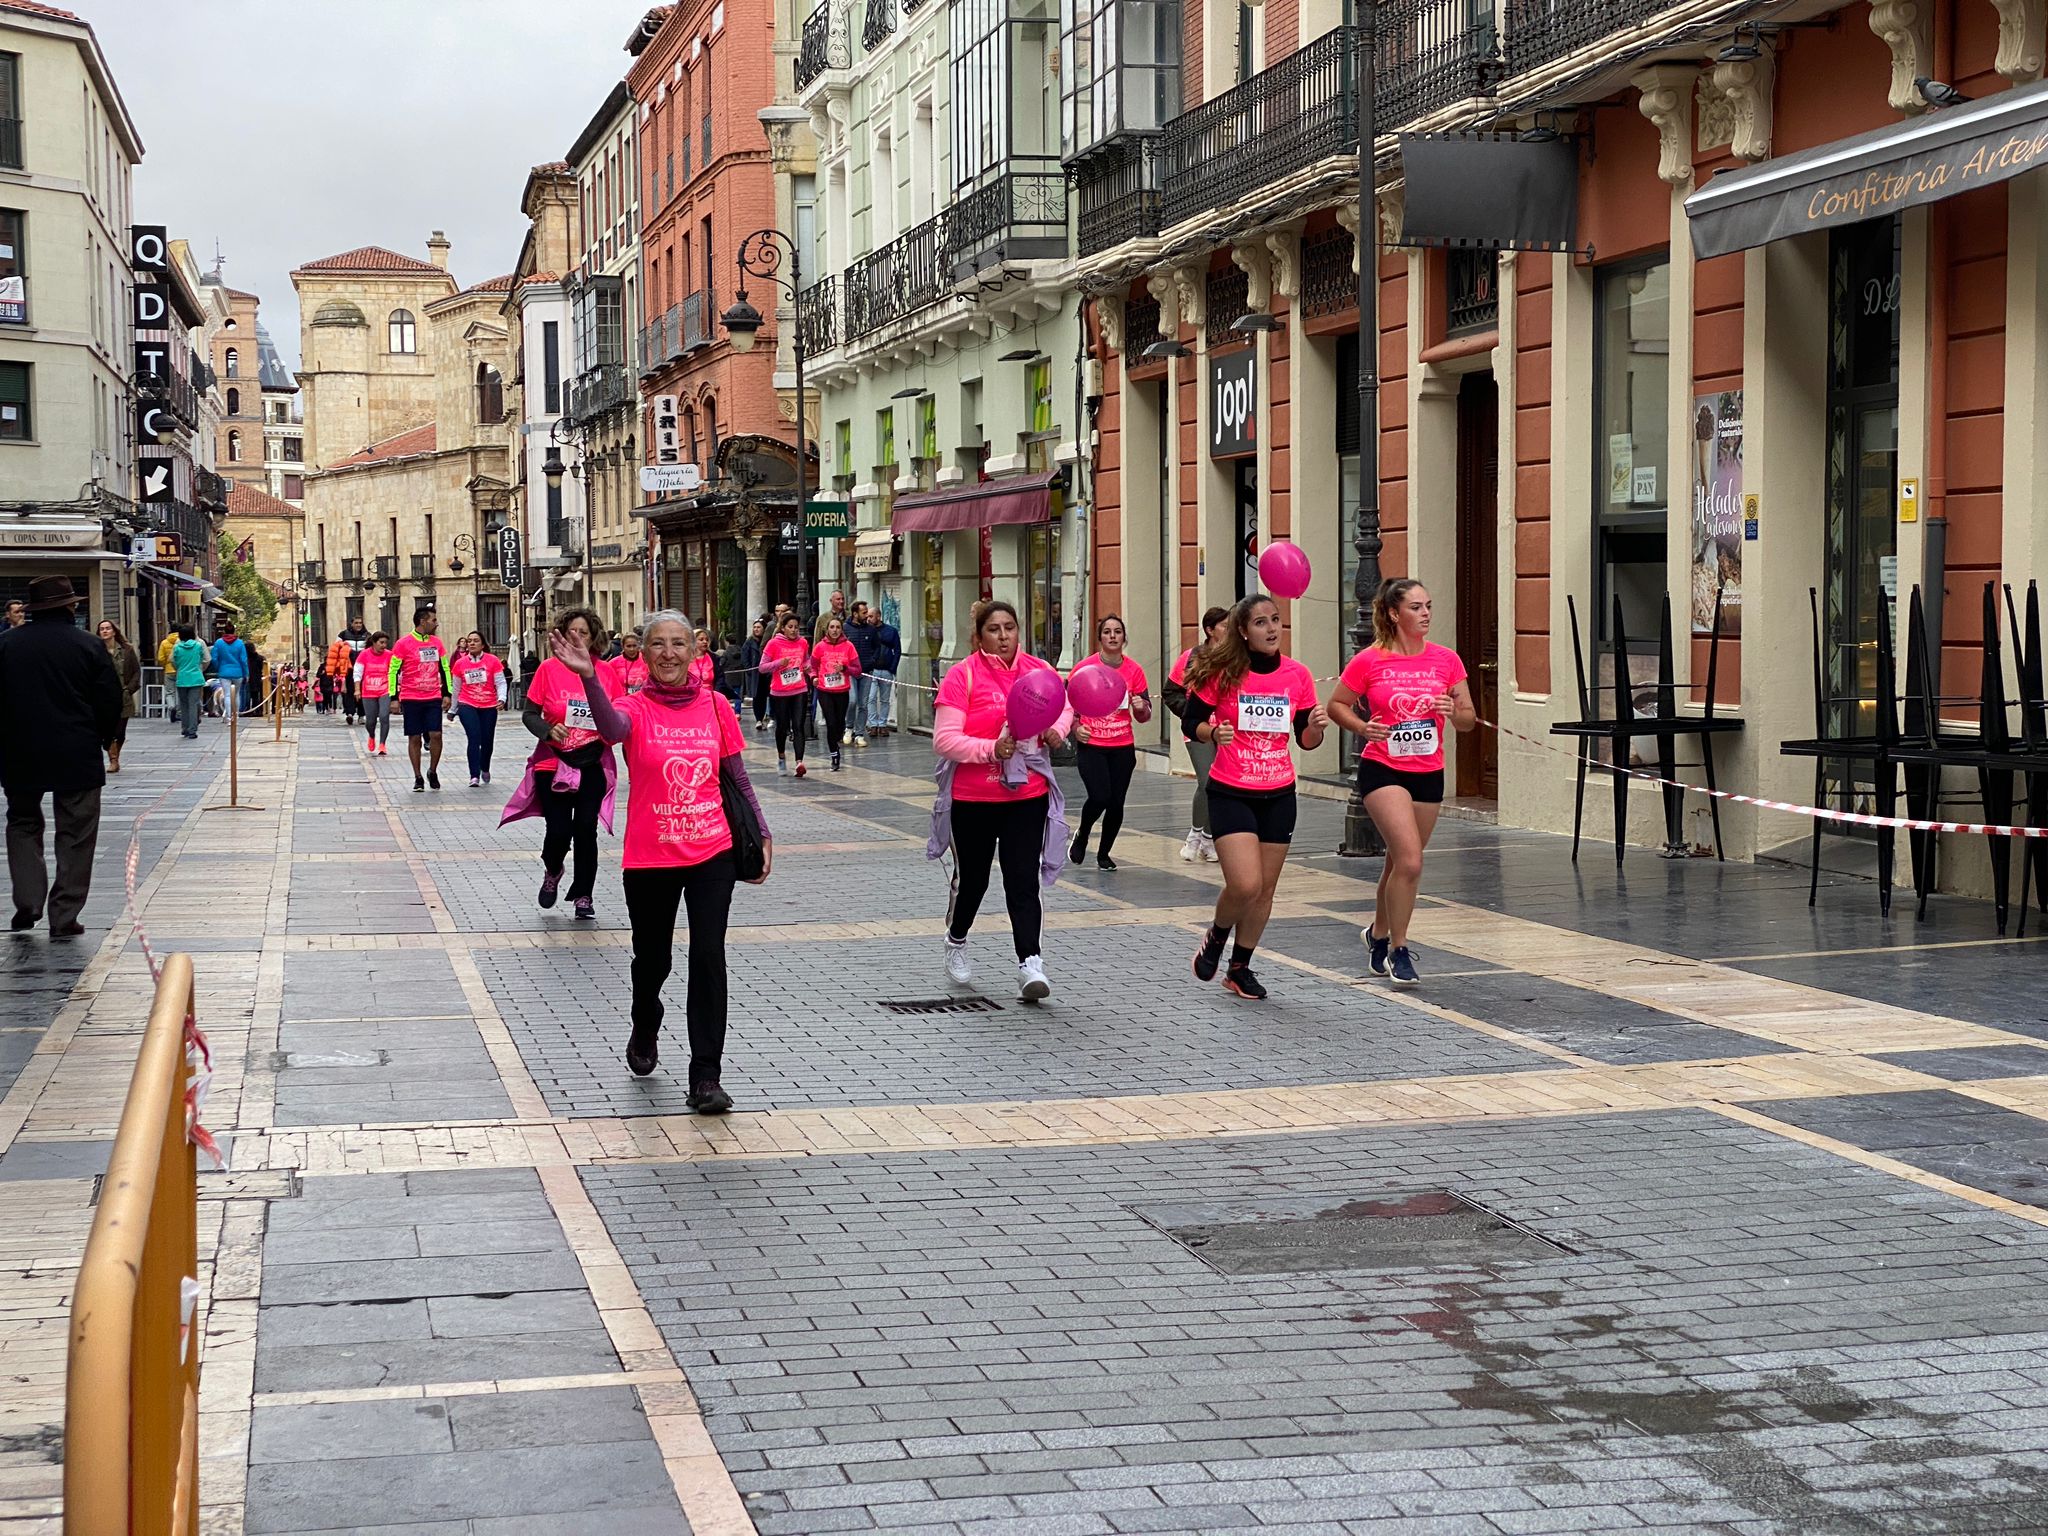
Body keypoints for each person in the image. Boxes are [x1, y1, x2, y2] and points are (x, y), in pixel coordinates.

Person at [551, 610, 771, 1102]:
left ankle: (706, 1077)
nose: (668, 653)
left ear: (695, 651)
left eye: (678, 644)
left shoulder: (716, 706)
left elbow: (735, 775)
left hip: (712, 847)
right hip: (651, 854)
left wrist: (760, 829)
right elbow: (608, 729)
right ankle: (645, 1018)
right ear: (643, 652)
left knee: (709, 956)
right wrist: (588, 677)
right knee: (653, 959)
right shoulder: (635, 706)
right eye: (657, 644)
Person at [1326, 578, 1477, 988]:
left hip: (1428, 771)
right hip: (1384, 769)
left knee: (1398, 863)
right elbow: (1336, 705)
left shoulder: (1447, 660)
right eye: (1415, 607)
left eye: (1428, 605)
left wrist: (1452, 708)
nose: (1425, 613)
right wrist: (1362, 726)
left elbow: (1467, 720)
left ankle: (1375, 934)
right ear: (1394, 614)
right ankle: (1399, 947)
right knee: (1410, 860)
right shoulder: (1369, 660)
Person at [1182, 594, 1329, 1002]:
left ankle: (1240, 967)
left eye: (1276, 620)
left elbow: (1306, 739)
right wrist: (1213, 734)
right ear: (1243, 631)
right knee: (1245, 885)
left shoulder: (1297, 675)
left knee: (1265, 890)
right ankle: (1217, 934)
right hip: (1231, 790)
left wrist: (1316, 727)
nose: (1271, 628)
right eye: (1261, 622)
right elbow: (1191, 719)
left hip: (1279, 791)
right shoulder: (1224, 673)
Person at [931, 599, 1071, 1001]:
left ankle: (1030, 962)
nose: (1004, 636)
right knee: (974, 879)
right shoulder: (962, 676)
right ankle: (956, 938)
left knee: (1022, 878)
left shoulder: (1039, 670)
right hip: (973, 797)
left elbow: (1064, 707)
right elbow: (945, 740)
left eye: (1010, 627)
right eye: (994, 629)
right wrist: (992, 749)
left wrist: (1056, 730)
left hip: (1027, 794)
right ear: (978, 636)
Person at [0, 576, 121, 939]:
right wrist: (102, 738)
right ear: (70, 606)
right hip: (76, 750)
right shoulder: (88, 646)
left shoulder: (6, 645)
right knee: (76, 832)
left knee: (22, 823)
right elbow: (110, 699)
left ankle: (28, 901)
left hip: (19, 750)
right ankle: (64, 913)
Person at [504, 608, 620, 921]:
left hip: (592, 759)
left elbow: (620, 719)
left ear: (594, 636)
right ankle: (553, 869)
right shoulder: (547, 669)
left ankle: (584, 894)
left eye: (583, 632)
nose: (577, 638)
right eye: (572, 632)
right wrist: (547, 729)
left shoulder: (606, 673)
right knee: (558, 831)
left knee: (585, 829)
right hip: (552, 762)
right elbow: (529, 713)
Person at [1067, 615, 1152, 870]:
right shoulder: (1085, 667)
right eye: (1107, 631)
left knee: (1116, 802)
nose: (1113, 636)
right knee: (1100, 796)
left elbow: (1145, 715)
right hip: (1092, 744)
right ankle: (1082, 833)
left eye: (1117, 631)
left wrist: (1141, 706)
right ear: (1100, 637)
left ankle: (1104, 854)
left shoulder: (1134, 670)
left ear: (1124, 638)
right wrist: (1075, 728)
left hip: (1122, 746)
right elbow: (1067, 706)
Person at [1162, 606, 1230, 864]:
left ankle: (1208, 839)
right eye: (1225, 626)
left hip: (1226, 731)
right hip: (1200, 731)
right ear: (1210, 630)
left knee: (1221, 785)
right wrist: (1191, 715)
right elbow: (1170, 692)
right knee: (1207, 781)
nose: (1229, 630)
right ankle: (1195, 835)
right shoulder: (1192, 657)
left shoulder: (1236, 658)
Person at [388, 607, 453, 792]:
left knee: (436, 735)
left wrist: (447, 693)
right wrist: (394, 697)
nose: (436, 623)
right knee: (414, 737)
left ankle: (432, 770)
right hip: (410, 696)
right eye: (433, 620)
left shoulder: (437, 643)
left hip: (433, 695)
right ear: (423, 621)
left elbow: (445, 668)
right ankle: (417, 776)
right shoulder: (403, 644)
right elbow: (393, 671)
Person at [452, 631, 508, 787]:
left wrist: (501, 698)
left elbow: (501, 682)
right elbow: (456, 688)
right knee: (474, 737)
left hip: (489, 705)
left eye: (475, 641)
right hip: (467, 703)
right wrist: (452, 708)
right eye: (469, 641)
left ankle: (485, 767)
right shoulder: (460, 664)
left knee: (487, 740)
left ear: (482, 644)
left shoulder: (493, 661)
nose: (471, 643)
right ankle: (474, 775)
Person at [760, 614, 811, 778]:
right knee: (782, 727)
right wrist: (779, 663)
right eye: (790, 627)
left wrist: (808, 668)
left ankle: (799, 763)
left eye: (796, 627)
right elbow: (762, 667)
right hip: (780, 692)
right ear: (783, 627)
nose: (794, 630)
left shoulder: (803, 642)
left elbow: (806, 661)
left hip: (799, 689)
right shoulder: (773, 643)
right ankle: (781, 757)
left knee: (798, 725)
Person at [809, 615, 862, 771]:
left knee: (839, 724)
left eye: (838, 627)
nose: (835, 630)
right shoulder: (819, 647)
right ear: (827, 629)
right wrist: (813, 677)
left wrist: (844, 668)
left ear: (841, 630)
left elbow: (858, 670)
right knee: (831, 722)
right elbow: (812, 666)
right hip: (825, 690)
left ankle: (837, 741)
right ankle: (834, 755)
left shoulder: (849, 646)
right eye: (832, 627)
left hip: (842, 690)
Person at [95, 620, 141, 773]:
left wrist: (129, 689)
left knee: (119, 732)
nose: (105, 631)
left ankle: (116, 756)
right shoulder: (95, 651)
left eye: (108, 628)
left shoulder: (127, 650)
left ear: (114, 631)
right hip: (104, 698)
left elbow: (136, 671)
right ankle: (113, 760)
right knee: (108, 731)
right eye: (102, 629)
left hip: (123, 696)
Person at [353, 632, 394, 753]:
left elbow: (395, 672)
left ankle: (382, 744)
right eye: (381, 642)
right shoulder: (364, 654)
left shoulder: (389, 655)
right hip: (368, 691)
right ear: (374, 642)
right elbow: (357, 673)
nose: (384, 645)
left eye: (386, 643)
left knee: (384, 716)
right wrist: (357, 689)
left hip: (385, 690)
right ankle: (371, 735)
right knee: (370, 721)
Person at [867, 606, 901, 738]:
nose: (868, 619)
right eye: (868, 616)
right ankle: (873, 724)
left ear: (878, 616)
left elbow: (897, 650)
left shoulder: (891, 631)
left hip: (886, 669)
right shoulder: (867, 631)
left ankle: (882, 724)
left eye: (871, 616)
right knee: (871, 697)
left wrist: (892, 668)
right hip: (872, 670)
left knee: (885, 699)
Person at [847, 602, 877, 747]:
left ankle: (859, 733)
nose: (867, 616)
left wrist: (872, 661)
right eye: (864, 613)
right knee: (852, 700)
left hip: (866, 670)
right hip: (850, 671)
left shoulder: (871, 630)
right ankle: (848, 727)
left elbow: (877, 647)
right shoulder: (846, 628)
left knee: (863, 704)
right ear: (855, 614)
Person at [170, 625, 207, 739]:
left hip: (182, 678)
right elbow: (202, 659)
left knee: (184, 704)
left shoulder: (177, 647)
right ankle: (192, 730)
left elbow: (172, 660)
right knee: (193, 704)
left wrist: (179, 669)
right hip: (196, 677)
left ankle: (184, 728)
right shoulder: (198, 646)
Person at [210, 621, 250, 722]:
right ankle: (236, 714)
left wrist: (218, 667)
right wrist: (246, 673)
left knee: (227, 694)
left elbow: (214, 658)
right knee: (237, 694)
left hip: (224, 671)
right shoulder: (240, 643)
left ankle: (228, 716)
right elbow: (243, 660)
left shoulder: (219, 642)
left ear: (224, 631)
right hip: (238, 672)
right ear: (234, 630)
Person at [337, 616, 372, 725]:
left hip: (363, 667)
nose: (358, 625)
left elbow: (372, 650)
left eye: (360, 623)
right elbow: (336, 648)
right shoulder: (343, 635)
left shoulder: (367, 635)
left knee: (363, 691)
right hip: (349, 667)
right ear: (351, 624)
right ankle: (350, 713)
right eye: (356, 623)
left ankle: (361, 715)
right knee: (349, 691)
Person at [741, 618, 768, 731]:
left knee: (766, 697)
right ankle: (759, 719)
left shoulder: (767, 642)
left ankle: (766, 717)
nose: (756, 629)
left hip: (766, 674)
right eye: (755, 627)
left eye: (759, 627)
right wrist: (749, 670)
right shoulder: (749, 642)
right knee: (757, 698)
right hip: (755, 675)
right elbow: (745, 658)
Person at [606, 627, 650, 695]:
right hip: (621, 700)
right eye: (628, 646)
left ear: (638, 646)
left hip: (642, 699)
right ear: (623, 647)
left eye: (634, 646)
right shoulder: (613, 663)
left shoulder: (647, 661)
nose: (632, 649)